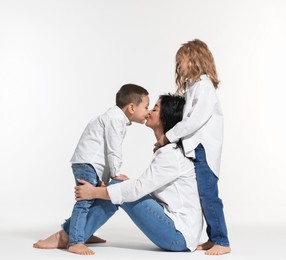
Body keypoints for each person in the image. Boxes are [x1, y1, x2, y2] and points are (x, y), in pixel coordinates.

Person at [33, 94, 203, 254]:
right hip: (179, 233)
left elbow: (137, 189)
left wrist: (95, 192)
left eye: (155, 109)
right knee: (119, 188)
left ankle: (67, 236)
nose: (149, 111)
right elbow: (145, 187)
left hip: (178, 237)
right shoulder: (168, 151)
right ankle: (80, 233)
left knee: (117, 188)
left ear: (165, 118)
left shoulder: (171, 154)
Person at [34, 83, 150, 255]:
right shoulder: (115, 118)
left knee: (94, 199)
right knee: (85, 201)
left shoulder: (115, 118)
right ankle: (75, 241)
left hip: (92, 164)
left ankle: (83, 233)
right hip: (87, 163)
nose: (148, 111)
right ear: (131, 107)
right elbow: (113, 149)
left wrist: (106, 177)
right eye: (146, 106)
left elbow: (105, 149)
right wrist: (116, 174)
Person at [155, 39, 231, 255]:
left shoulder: (204, 86)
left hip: (203, 150)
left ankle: (222, 241)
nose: (179, 66)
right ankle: (212, 236)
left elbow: (194, 120)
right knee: (201, 195)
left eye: (182, 61)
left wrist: (168, 137)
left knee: (208, 195)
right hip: (194, 148)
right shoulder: (194, 87)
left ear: (196, 60)